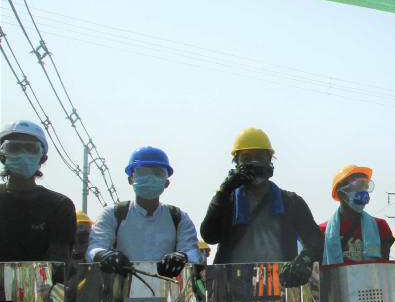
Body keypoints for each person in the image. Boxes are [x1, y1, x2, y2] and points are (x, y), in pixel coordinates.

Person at [200, 128, 324, 286]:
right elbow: (210, 236)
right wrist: (223, 191)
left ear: (270, 160)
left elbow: (315, 239)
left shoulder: (291, 202)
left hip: (279, 289)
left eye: (259, 157)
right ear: (236, 164)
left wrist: (304, 259)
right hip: (233, 291)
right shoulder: (228, 202)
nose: (254, 162)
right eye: (246, 158)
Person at [87, 146, 203, 277]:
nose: (150, 178)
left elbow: (193, 253)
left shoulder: (179, 217)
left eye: (158, 173)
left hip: (168, 292)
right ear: (130, 179)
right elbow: (94, 249)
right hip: (122, 292)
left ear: (166, 182)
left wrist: (183, 256)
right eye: (142, 172)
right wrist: (104, 256)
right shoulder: (112, 214)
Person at [0, 120, 75, 263]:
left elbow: (57, 265)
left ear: (43, 158)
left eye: (30, 149)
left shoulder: (60, 206)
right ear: (2, 155)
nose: (23, 154)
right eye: (14, 147)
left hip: (42, 285)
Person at [320, 164, 394, 265]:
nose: (364, 192)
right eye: (358, 186)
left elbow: (383, 267)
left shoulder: (380, 226)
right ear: (341, 193)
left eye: (366, 187)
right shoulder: (322, 231)